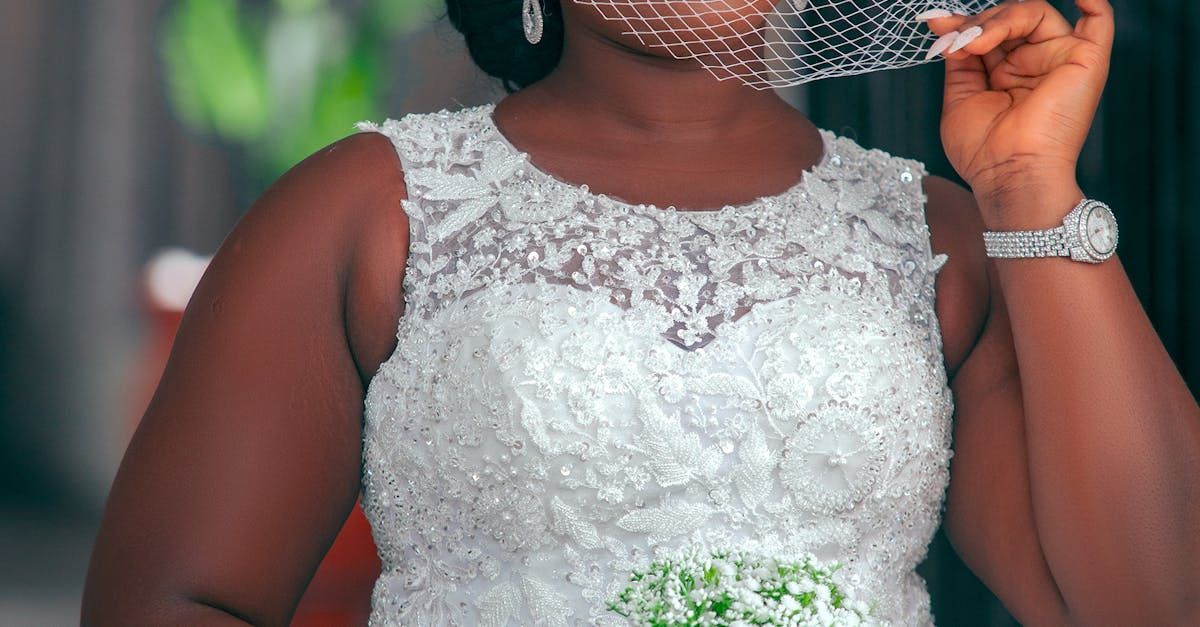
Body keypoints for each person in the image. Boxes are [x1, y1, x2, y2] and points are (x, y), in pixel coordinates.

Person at [82, 0, 1200, 625]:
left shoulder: (943, 239)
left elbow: (1151, 603)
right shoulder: (367, 212)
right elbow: (176, 603)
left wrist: (1028, 192)